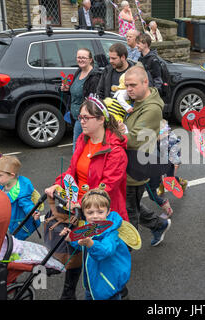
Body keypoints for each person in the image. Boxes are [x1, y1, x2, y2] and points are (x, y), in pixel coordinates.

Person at [44, 96, 128, 299]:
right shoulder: (83, 140)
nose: (81, 121)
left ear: (101, 119)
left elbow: (106, 187)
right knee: (77, 249)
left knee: (99, 255)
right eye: (80, 117)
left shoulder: (115, 152)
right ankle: (69, 293)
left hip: (99, 211)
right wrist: (58, 183)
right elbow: (72, 171)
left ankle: (113, 289)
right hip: (77, 207)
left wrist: (82, 202)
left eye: (86, 117)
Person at [119, 65, 171, 247]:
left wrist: (110, 132)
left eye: (133, 85)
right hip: (126, 163)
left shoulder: (151, 109)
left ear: (145, 82)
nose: (129, 89)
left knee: (129, 211)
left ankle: (126, 251)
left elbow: (133, 140)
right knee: (128, 203)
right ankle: (159, 224)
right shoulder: (136, 101)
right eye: (126, 85)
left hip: (136, 167)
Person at [60, 188, 131, 300]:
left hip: (107, 285)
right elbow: (81, 244)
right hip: (93, 282)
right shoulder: (89, 227)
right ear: (84, 213)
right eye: (90, 212)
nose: (95, 216)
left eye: (100, 212)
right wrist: (70, 238)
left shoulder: (111, 232)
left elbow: (106, 251)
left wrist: (91, 244)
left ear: (108, 212)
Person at [61, 48, 100, 150]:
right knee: (81, 146)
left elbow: (92, 101)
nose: (80, 60)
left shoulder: (94, 77)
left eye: (84, 57)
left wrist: (84, 116)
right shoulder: (79, 71)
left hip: (84, 118)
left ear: (90, 60)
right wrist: (66, 89)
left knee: (77, 147)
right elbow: (75, 92)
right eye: (79, 57)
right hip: (75, 116)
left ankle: (76, 166)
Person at [0, 155, 42, 241]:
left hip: (18, 224)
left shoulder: (21, 190)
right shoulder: (3, 184)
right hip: (8, 220)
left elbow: (27, 204)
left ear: (12, 175)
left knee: (14, 244)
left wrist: (34, 212)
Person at [146, 119, 187, 218]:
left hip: (169, 162)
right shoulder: (156, 138)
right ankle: (177, 182)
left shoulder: (171, 141)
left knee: (167, 181)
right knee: (163, 180)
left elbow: (175, 160)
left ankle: (181, 183)